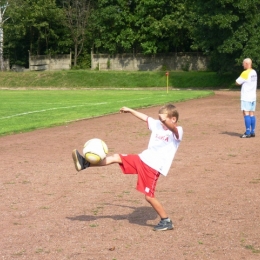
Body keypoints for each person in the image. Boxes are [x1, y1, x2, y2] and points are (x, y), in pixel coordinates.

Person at [72, 104, 183, 231]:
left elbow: (173, 129)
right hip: (142, 159)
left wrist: (165, 122)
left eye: (163, 119)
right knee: (116, 157)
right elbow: (145, 118)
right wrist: (130, 110)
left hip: (153, 167)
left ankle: (166, 221)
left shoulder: (178, 131)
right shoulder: (158, 124)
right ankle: (85, 163)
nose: (160, 121)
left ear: (173, 119)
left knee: (149, 196)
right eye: (159, 119)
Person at [236, 58, 257, 138]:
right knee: (252, 114)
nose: (242, 65)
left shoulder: (245, 73)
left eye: (243, 63)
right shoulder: (254, 72)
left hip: (246, 96)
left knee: (246, 113)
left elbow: (237, 82)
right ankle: (252, 131)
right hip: (253, 96)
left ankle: (247, 132)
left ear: (247, 64)